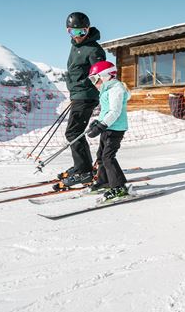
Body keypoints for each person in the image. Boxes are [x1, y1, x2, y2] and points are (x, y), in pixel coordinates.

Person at [54, 12, 106, 190]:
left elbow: (100, 75)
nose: (78, 36)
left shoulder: (94, 50)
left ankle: (84, 171)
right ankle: (81, 166)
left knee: (73, 133)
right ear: (68, 31)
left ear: (88, 29)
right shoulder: (75, 46)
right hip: (77, 96)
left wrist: (85, 90)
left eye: (82, 31)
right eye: (73, 32)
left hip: (86, 96)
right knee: (74, 132)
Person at [85, 60, 132, 201]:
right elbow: (105, 111)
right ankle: (104, 181)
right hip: (108, 127)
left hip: (115, 129)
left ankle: (119, 187)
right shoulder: (107, 90)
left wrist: (101, 125)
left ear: (105, 76)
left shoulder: (116, 89)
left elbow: (115, 111)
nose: (94, 83)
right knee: (101, 155)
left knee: (108, 157)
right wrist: (97, 122)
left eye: (94, 79)